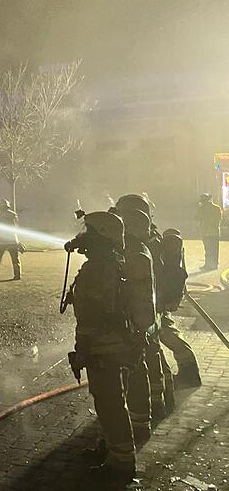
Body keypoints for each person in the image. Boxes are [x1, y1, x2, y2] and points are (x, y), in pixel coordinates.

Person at [63, 211, 151, 479]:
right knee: (113, 400)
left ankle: (121, 464)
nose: (83, 238)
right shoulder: (112, 263)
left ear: (101, 236)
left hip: (104, 350)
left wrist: (82, 352)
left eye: (89, 232)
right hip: (116, 347)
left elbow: (91, 319)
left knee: (109, 403)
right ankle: (112, 450)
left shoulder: (97, 270)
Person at [116, 194, 170, 422]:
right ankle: (158, 400)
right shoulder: (152, 236)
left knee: (143, 357)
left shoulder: (141, 244)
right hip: (151, 306)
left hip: (142, 309)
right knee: (153, 352)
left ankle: (147, 410)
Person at [157, 228, 201, 388]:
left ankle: (188, 374)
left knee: (165, 333)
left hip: (158, 298)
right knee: (165, 332)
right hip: (160, 297)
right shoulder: (169, 246)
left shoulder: (164, 244)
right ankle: (188, 373)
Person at [196, 193, 222, 270]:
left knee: (208, 249)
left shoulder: (202, 209)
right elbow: (219, 219)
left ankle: (208, 264)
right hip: (214, 232)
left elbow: (197, 218)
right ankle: (214, 264)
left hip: (206, 232)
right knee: (214, 248)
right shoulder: (216, 208)